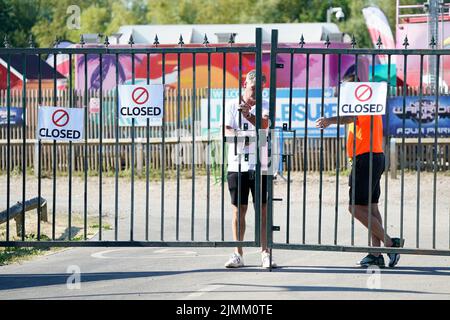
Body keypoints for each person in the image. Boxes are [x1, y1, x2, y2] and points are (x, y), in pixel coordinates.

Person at [315, 73, 404, 268]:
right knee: (372, 207)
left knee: (354, 208)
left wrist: (329, 120)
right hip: (375, 155)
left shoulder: (361, 102)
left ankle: (390, 244)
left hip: (366, 157)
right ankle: (375, 254)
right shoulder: (368, 100)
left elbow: (351, 117)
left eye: (345, 88)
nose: (342, 92)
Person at [222, 70, 276, 269]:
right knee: (239, 209)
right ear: (245, 85)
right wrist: (239, 136)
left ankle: (265, 253)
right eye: (253, 88)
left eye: (260, 89)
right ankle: (238, 253)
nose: (256, 93)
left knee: (262, 209)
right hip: (237, 163)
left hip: (261, 163)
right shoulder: (230, 104)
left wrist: (248, 115)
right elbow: (226, 129)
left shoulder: (265, 105)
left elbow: (265, 126)